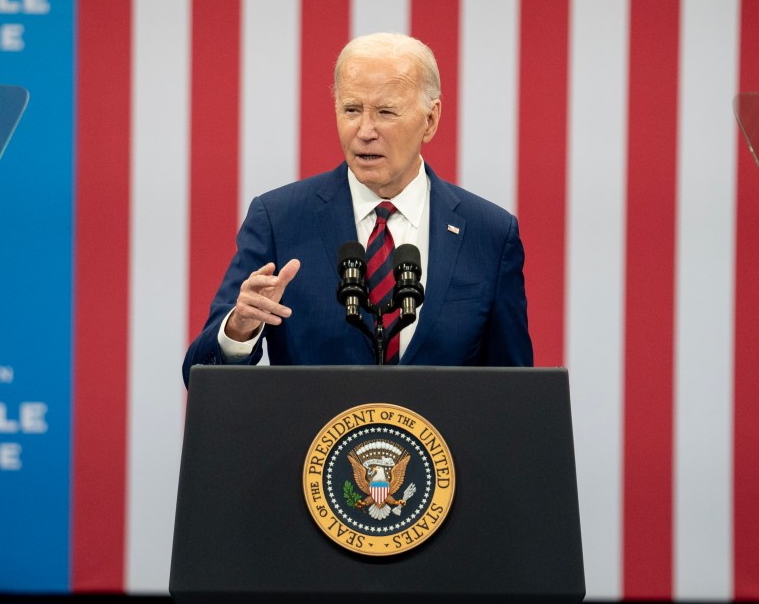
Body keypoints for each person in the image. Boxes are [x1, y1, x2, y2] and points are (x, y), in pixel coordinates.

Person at [182, 32, 532, 387]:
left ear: (431, 120)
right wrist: (239, 331)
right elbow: (200, 379)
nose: (365, 131)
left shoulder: (488, 234)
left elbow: (516, 396)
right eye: (351, 110)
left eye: (385, 112)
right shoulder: (279, 219)